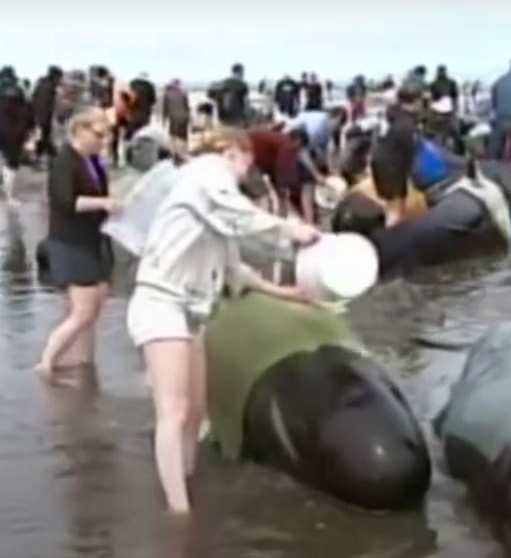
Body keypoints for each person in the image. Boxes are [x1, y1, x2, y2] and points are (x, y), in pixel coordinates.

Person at [126, 126, 319, 514]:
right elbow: (238, 212)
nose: (249, 168)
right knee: (174, 411)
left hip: (192, 311)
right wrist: (292, 228)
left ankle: (184, 478)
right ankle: (178, 510)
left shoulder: (213, 208)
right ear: (233, 151)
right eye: (248, 159)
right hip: (161, 302)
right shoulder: (207, 173)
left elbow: (235, 271)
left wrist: (287, 294)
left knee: (197, 411)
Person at [37, 108, 118, 380]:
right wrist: (104, 203)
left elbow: (101, 198)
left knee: (94, 308)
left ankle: (85, 363)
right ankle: (47, 362)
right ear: (80, 130)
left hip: (93, 240)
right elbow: (65, 201)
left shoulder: (93, 161)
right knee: (83, 312)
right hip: (70, 242)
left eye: (107, 135)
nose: (104, 140)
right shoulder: (64, 161)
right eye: (99, 134)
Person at [371, 86, 422, 226]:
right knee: (396, 209)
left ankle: (390, 229)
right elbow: (412, 149)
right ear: (416, 101)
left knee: (390, 205)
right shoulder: (406, 124)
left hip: (380, 162)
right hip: (392, 167)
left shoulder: (392, 113)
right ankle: (392, 235)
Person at [0, 66, 31, 200]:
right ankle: (10, 197)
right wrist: (27, 128)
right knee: (11, 164)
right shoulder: (18, 91)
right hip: (12, 131)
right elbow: (26, 112)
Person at [30, 66, 63, 163]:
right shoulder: (47, 87)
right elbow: (43, 105)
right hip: (42, 118)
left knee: (44, 139)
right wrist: (44, 121)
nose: (60, 81)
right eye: (59, 78)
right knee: (44, 139)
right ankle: (53, 157)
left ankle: (45, 157)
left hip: (39, 117)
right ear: (55, 77)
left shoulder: (43, 84)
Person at [128, 73, 157, 137]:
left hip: (133, 113)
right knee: (143, 132)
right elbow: (153, 100)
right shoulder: (150, 86)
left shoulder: (132, 84)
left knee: (131, 132)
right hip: (145, 113)